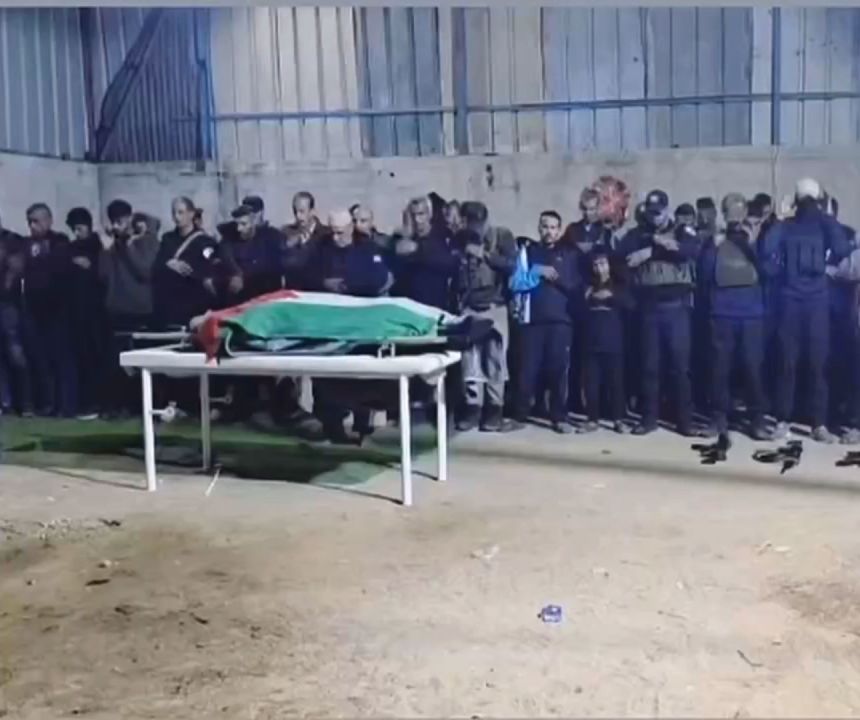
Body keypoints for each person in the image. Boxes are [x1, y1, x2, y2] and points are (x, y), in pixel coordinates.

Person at [761, 178, 852, 443]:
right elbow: (842, 249)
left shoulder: (787, 226)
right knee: (813, 364)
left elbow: (765, 252)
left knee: (792, 363)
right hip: (812, 302)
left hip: (795, 301)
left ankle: (786, 421)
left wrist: (779, 275)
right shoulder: (821, 224)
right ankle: (816, 424)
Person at [622, 189, 701, 437]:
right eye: (651, 212)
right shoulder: (637, 234)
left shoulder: (682, 230)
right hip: (648, 307)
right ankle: (649, 419)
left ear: (667, 210)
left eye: (659, 212)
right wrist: (654, 245)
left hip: (676, 307)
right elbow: (624, 256)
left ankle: (685, 421)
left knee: (680, 367)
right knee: (649, 366)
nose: (655, 217)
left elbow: (688, 251)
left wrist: (651, 251)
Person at [312, 210, 392, 442]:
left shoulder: (367, 248)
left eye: (340, 232)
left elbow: (378, 279)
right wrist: (324, 283)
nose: (336, 237)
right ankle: (332, 426)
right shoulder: (322, 248)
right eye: (332, 232)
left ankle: (362, 425)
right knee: (328, 378)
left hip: (360, 320)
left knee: (361, 376)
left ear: (350, 229)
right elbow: (305, 273)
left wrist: (348, 285)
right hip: (331, 321)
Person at [698, 194, 768, 440]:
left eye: (739, 211)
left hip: (751, 314)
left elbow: (768, 272)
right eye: (731, 212)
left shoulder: (756, 239)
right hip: (722, 313)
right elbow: (704, 276)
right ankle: (718, 420)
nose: (735, 217)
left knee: (753, 369)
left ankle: (757, 420)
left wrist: (755, 244)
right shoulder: (714, 241)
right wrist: (712, 248)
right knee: (719, 369)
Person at [509, 210, 581, 434]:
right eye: (544, 226)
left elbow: (574, 286)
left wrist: (554, 274)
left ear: (559, 230)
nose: (548, 231)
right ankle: (519, 416)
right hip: (532, 321)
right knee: (527, 370)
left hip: (561, 322)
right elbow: (515, 283)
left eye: (553, 227)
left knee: (559, 371)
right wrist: (535, 271)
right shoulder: (528, 252)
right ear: (539, 228)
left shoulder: (569, 253)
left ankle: (559, 417)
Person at [452, 201, 517, 433]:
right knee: (470, 359)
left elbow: (512, 266)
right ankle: (473, 407)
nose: (473, 226)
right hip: (469, 306)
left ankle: (494, 409)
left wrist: (485, 255)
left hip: (494, 306)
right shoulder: (460, 238)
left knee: (495, 359)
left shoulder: (502, 235)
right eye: (469, 221)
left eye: (476, 222)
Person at [99, 199, 159, 418]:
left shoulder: (146, 240)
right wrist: (106, 250)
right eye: (115, 221)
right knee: (116, 362)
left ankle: (141, 406)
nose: (118, 226)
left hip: (140, 309)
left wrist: (127, 245)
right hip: (116, 309)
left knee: (139, 363)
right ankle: (120, 405)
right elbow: (103, 276)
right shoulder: (113, 245)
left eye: (122, 220)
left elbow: (144, 271)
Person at [21, 203, 76, 417]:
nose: (33, 226)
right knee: (43, 360)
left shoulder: (59, 242)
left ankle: (67, 404)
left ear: (48, 220)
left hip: (57, 309)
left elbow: (58, 267)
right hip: (35, 309)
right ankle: (49, 403)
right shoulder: (26, 245)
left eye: (36, 220)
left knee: (62, 359)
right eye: (30, 222)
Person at [580, 250, 631, 434]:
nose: (599, 268)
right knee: (591, 383)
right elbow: (578, 308)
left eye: (602, 264)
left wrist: (611, 296)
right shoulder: (587, 286)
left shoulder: (619, 285)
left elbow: (630, 304)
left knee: (616, 383)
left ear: (609, 265)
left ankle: (618, 419)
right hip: (591, 341)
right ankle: (592, 419)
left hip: (613, 341)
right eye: (595, 265)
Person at [152, 197, 219, 329]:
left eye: (181, 212)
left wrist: (180, 266)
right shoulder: (167, 239)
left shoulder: (205, 242)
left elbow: (206, 267)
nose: (176, 217)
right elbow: (156, 266)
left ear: (191, 214)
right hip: (169, 305)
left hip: (193, 304)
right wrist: (169, 264)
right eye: (174, 213)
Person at [65, 207, 106, 419]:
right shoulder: (71, 249)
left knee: (95, 357)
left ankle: (98, 403)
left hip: (96, 312)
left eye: (79, 228)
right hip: (77, 313)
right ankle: (86, 402)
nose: (76, 232)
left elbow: (104, 275)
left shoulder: (97, 247)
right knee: (81, 359)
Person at [390, 196, 458, 311]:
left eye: (421, 214)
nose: (417, 220)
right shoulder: (404, 239)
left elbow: (451, 264)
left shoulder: (442, 236)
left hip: (436, 306)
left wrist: (419, 250)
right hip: (410, 306)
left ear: (429, 215)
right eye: (413, 215)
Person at [218, 204, 284, 303]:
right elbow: (225, 255)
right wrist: (237, 273)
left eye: (244, 224)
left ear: (253, 222)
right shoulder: (229, 239)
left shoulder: (270, 236)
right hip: (242, 299)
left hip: (266, 296)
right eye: (237, 224)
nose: (239, 229)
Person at [0, 220, 30, 415]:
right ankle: (6, 402)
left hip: (8, 305)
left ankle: (25, 402)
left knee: (15, 353)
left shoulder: (11, 240)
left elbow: (16, 270)